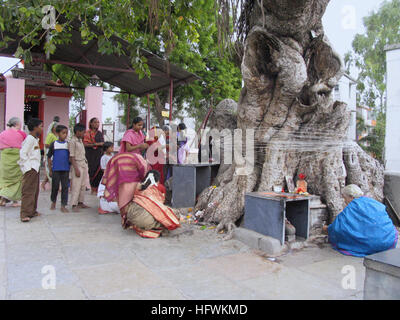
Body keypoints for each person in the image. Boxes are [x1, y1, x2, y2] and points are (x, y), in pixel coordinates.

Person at [102, 154, 180, 238]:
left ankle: (149, 224)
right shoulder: (154, 187)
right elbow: (160, 204)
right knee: (174, 215)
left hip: (131, 215)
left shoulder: (134, 185)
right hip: (141, 218)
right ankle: (156, 226)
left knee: (151, 213)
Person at [324, 185, 398, 257]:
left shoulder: (352, 206)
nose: (344, 201)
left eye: (345, 198)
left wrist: (327, 229)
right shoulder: (372, 202)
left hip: (374, 244)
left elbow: (339, 227)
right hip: (389, 241)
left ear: (351, 197)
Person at [19, 118, 43, 222]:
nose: (42, 129)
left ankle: (32, 211)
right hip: (31, 169)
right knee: (28, 191)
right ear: (35, 128)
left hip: (35, 168)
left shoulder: (34, 140)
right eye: (41, 126)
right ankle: (24, 213)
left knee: (34, 191)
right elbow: (23, 154)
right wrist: (28, 168)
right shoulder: (29, 139)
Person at [0, 117, 27, 207]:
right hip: (16, 159)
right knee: (18, 179)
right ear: (17, 124)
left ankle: (3, 199)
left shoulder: (2, 134)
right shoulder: (21, 134)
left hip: (5, 159)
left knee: (5, 180)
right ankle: (15, 201)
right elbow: (26, 145)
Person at [47, 125, 70, 213]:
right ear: (57, 133)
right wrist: (50, 169)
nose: (65, 135)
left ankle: (63, 205)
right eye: (63, 133)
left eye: (66, 133)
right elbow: (49, 157)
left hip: (65, 169)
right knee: (55, 187)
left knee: (65, 187)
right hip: (56, 169)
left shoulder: (68, 144)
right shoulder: (54, 144)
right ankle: (53, 201)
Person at [69, 123, 90, 212]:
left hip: (83, 163)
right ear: (77, 132)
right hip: (77, 164)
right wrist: (76, 168)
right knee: (76, 185)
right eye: (83, 132)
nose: (84, 134)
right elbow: (72, 157)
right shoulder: (72, 141)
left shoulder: (80, 141)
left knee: (83, 184)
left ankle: (81, 202)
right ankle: (74, 204)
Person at [83, 117, 104, 194]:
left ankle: (98, 189)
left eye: (98, 122)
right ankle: (93, 189)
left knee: (100, 172)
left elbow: (103, 144)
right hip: (90, 155)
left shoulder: (100, 133)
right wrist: (96, 144)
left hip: (99, 155)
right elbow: (85, 144)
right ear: (91, 123)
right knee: (92, 171)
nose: (97, 124)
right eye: (95, 122)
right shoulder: (87, 133)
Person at [97, 142, 118, 214]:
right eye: (111, 147)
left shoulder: (113, 156)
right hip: (107, 176)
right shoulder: (104, 157)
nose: (112, 149)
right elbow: (103, 168)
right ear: (106, 149)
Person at [41, 119, 59, 190]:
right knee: (50, 170)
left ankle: (43, 184)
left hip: (54, 155)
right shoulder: (51, 135)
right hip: (50, 155)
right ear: (53, 128)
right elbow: (46, 144)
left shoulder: (56, 135)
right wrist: (54, 147)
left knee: (51, 170)